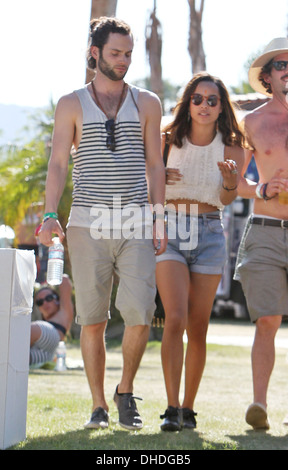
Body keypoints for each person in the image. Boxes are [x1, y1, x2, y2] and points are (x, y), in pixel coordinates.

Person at [38, 17, 166, 431]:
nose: (124, 61)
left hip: (136, 219)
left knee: (140, 313)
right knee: (92, 318)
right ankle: (98, 405)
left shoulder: (147, 102)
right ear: (94, 53)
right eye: (115, 53)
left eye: (128, 54)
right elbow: (58, 163)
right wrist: (50, 214)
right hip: (87, 221)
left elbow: (155, 164)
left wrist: (160, 218)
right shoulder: (72, 103)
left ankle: (124, 391)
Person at [156, 72, 244, 431]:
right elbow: (148, 184)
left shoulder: (234, 146)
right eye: (197, 99)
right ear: (187, 103)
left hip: (209, 230)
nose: (204, 105)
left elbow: (226, 199)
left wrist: (230, 182)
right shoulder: (167, 138)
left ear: (221, 106)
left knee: (199, 327)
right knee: (174, 318)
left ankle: (188, 408)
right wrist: (159, 176)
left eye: (212, 100)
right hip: (171, 229)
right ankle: (171, 407)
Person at [234, 37, 288, 430]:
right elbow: (234, 185)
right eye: (282, 66)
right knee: (267, 319)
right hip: (267, 231)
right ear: (267, 77)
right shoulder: (251, 123)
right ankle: (259, 405)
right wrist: (262, 189)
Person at [31, 274, 74, 367]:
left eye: (49, 298)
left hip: (52, 335)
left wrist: (50, 279)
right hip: (47, 353)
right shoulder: (43, 322)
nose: (45, 303)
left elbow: (65, 280)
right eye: (40, 302)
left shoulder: (64, 313)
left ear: (57, 299)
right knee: (18, 356)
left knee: (26, 331)